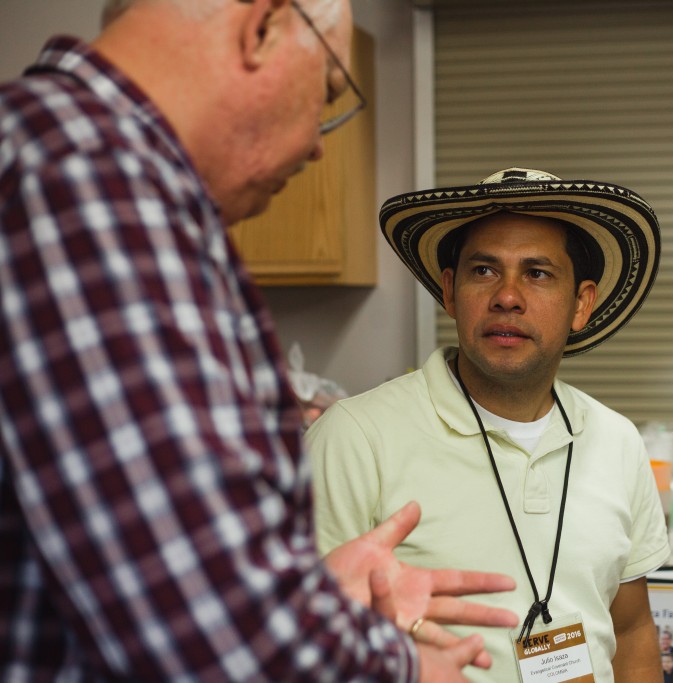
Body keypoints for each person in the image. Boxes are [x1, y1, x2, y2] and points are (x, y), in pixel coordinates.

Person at [0, 0, 521, 680]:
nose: (317, 144)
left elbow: (133, 568)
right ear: (264, 27)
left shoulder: (63, 156)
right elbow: (203, 634)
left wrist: (308, 596)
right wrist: (406, 668)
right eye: (328, 91)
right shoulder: (89, 182)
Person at [307, 167, 671, 681]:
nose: (508, 296)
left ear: (581, 304)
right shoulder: (354, 438)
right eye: (484, 271)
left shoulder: (616, 441)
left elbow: (631, 630)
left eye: (538, 273)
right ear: (450, 292)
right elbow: (291, 634)